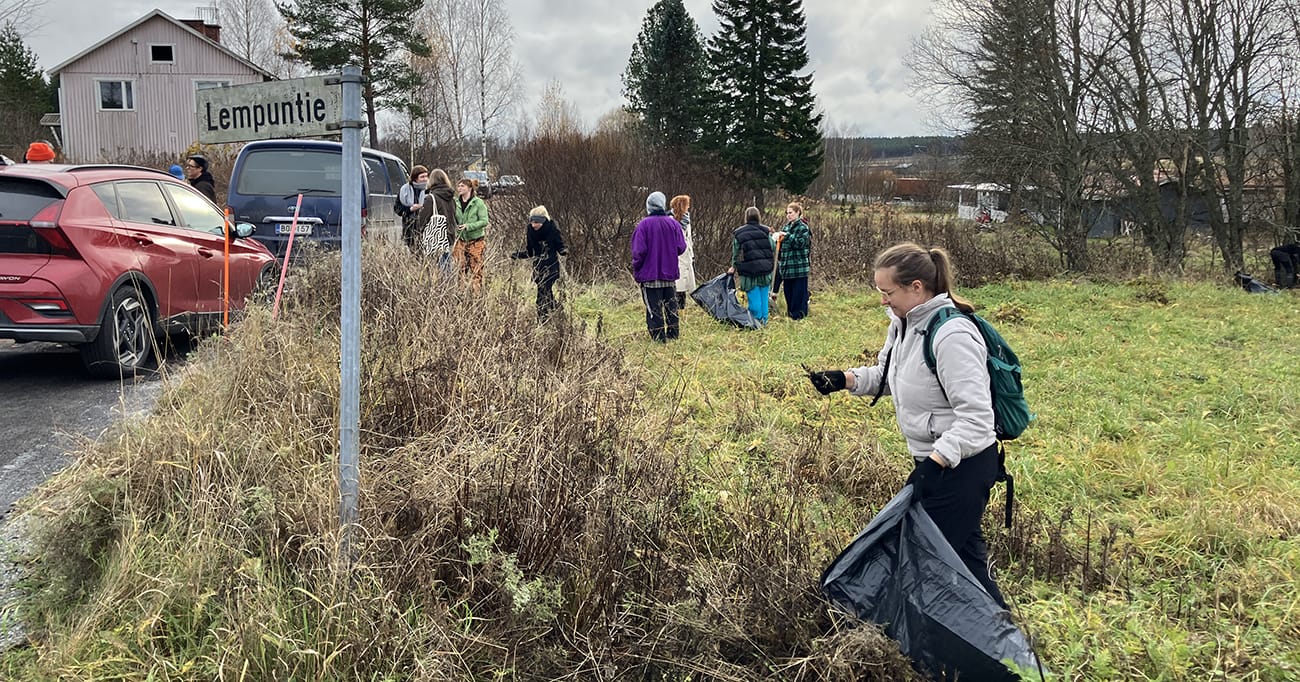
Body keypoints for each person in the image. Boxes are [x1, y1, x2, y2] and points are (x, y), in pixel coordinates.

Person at [806, 242, 1007, 608]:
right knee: (963, 559)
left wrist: (936, 463)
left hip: (962, 467)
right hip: (936, 465)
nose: (883, 301)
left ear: (916, 287)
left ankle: (967, 647)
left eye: (888, 292)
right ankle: (1004, 644)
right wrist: (844, 379)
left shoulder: (952, 336)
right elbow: (890, 376)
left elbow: (978, 421)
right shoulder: (903, 325)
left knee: (921, 560)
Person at [631, 191, 687, 342]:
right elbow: (681, 247)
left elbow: (638, 252)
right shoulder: (673, 224)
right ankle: (673, 336)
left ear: (648, 206)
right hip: (669, 275)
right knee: (671, 308)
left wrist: (636, 268)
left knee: (654, 310)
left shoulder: (643, 226)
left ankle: (659, 338)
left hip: (649, 277)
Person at [510, 205, 567, 321]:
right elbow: (531, 251)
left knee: (542, 292)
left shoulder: (552, 229)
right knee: (545, 291)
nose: (534, 225)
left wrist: (562, 250)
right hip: (538, 266)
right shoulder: (530, 230)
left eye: (537, 222)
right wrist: (519, 255)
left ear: (544, 221)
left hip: (551, 265)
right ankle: (556, 309)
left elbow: (559, 244)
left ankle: (542, 320)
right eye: (532, 222)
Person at [728, 206, 775, 325]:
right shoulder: (766, 231)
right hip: (765, 269)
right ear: (758, 216)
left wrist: (734, 266)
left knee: (755, 303)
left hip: (749, 271)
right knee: (764, 300)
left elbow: (736, 252)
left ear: (746, 217)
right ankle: (764, 323)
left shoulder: (739, 233)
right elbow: (773, 247)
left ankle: (755, 324)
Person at [773, 202, 812, 319]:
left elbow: (801, 243)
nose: (788, 215)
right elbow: (783, 248)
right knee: (788, 293)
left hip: (799, 267)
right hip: (787, 267)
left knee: (798, 294)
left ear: (798, 213)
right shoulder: (786, 227)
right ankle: (791, 314)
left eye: (790, 213)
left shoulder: (803, 228)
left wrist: (787, 236)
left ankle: (800, 316)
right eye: (787, 213)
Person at [453, 177, 490, 291]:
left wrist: (469, 226)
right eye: (458, 186)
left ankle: (476, 294)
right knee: (459, 267)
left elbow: (484, 221)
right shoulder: (456, 202)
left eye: (462, 186)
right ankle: (460, 293)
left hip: (476, 240)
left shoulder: (478, 203)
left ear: (469, 188)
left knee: (476, 268)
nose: (459, 188)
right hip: (461, 239)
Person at [416, 168, 457, 271]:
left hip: (436, 238)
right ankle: (448, 285)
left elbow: (423, 220)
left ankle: (440, 286)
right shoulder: (451, 198)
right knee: (446, 265)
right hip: (449, 236)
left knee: (436, 269)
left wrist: (419, 233)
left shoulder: (430, 198)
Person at [670, 195, 697, 311]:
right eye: (687, 204)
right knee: (678, 285)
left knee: (687, 284)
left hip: (687, 256)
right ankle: (678, 309)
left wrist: (692, 254)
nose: (689, 207)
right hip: (677, 256)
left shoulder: (687, 220)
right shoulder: (671, 220)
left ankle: (683, 309)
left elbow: (689, 239)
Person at [398, 166, 429, 252]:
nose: (425, 179)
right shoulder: (404, 190)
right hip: (410, 228)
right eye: (422, 177)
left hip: (425, 228)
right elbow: (397, 209)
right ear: (415, 178)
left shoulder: (429, 190)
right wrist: (410, 209)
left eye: (426, 176)